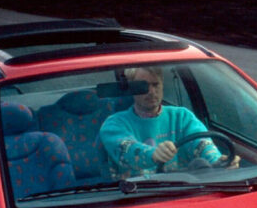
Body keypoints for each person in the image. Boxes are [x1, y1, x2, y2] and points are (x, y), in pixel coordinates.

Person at [100, 66, 237, 177]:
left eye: (156, 84)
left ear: (162, 85)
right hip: (134, 198)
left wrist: (220, 162)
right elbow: (127, 150)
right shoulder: (114, 124)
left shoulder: (182, 117)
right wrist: (153, 154)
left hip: (185, 193)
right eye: (144, 86)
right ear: (131, 88)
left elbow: (203, 144)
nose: (151, 92)